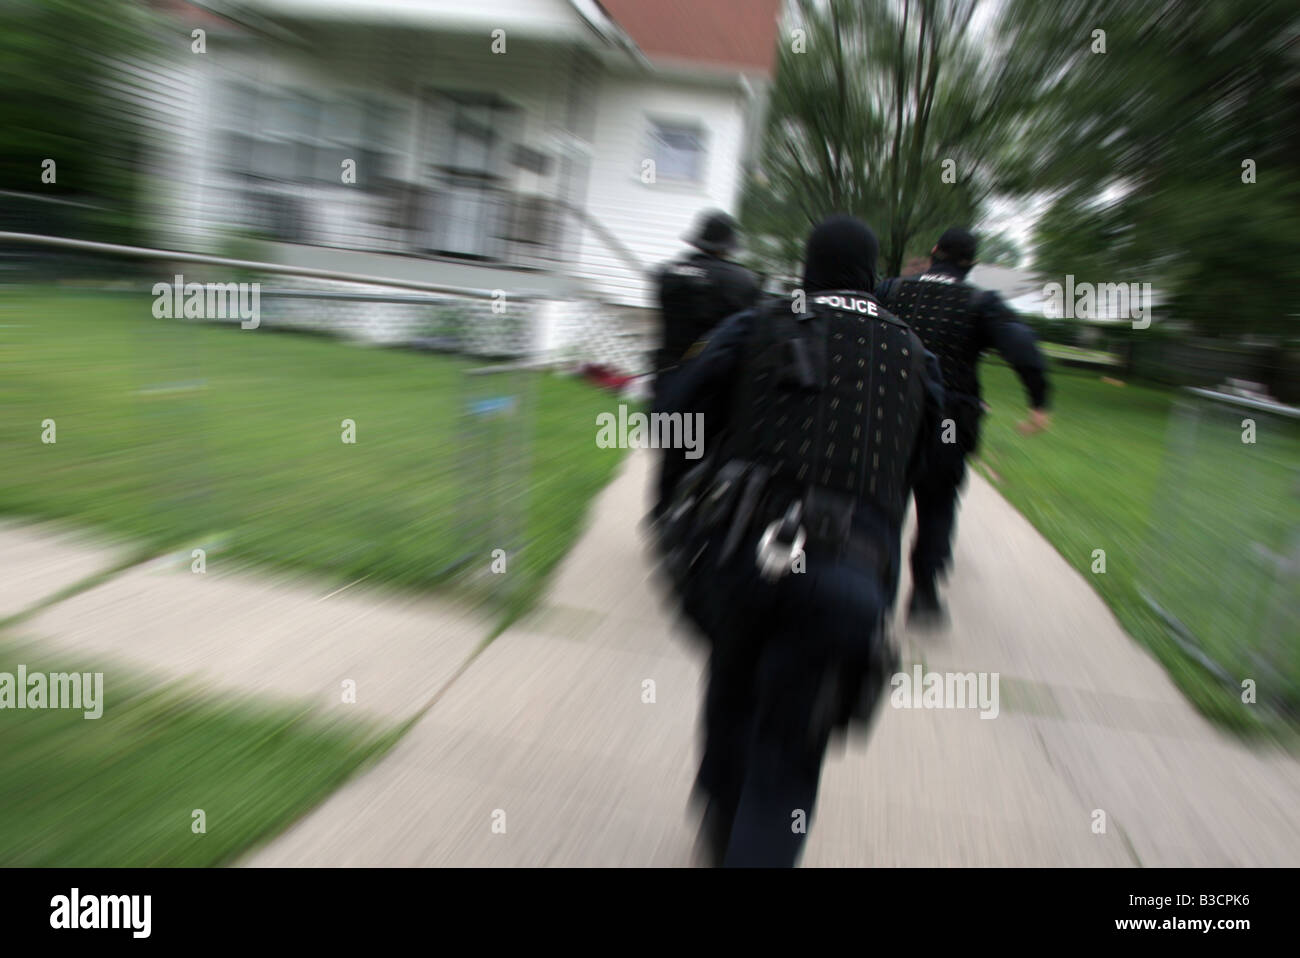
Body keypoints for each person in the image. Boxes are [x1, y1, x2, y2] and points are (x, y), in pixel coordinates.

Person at [652, 215, 944, 867]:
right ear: (873, 274)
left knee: (730, 690)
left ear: (810, 266)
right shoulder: (912, 355)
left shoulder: (758, 322)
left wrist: (683, 494)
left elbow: (674, 411)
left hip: (740, 553)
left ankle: (721, 831)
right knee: (787, 754)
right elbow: (924, 460)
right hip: (847, 577)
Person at [876, 228, 1051, 628]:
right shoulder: (980, 302)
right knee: (937, 505)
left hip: (891, 414)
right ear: (971, 264)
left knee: (882, 501)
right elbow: (1023, 348)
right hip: (949, 421)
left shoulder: (891, 291)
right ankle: (923, 597)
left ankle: (872, 589)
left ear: (934, 252)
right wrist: (1039, 401)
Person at [651, 210, 760, 516]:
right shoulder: (743, 282)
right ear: (728, 245)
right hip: (712, 390)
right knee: (705, 459)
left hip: (669, 381)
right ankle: (689, 521)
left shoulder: (668, 274)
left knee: (671, 457)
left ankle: (662, 516)